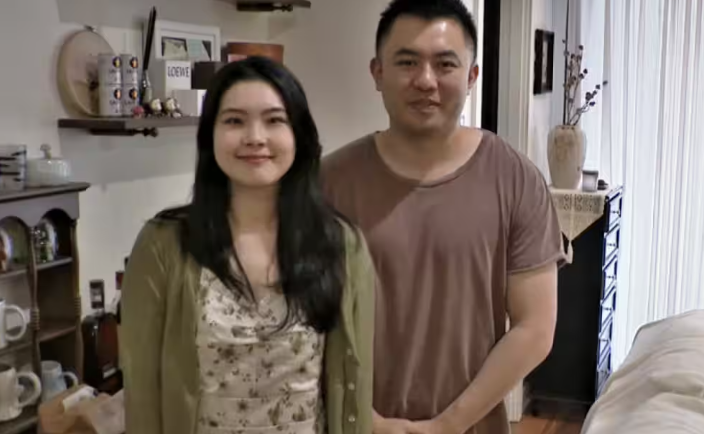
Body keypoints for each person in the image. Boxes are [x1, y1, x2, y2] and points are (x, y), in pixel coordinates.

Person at [321, 1, 565, 433]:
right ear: (377, 73)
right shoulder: (328, 183)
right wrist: (365, 419)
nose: (425, 80)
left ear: (472, 76)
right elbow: (303, 321)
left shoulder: (515, 179)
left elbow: (535, 327)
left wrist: (448, 424)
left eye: (445, 64)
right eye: (407, 62)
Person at [120, 56, 375, 434]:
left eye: (274, 120)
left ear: (299, 135)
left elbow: (356, 384)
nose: (255, 137)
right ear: (210, 136)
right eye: (234, 121)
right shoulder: (163, 245)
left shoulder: (341, 245)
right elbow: (142, 393)